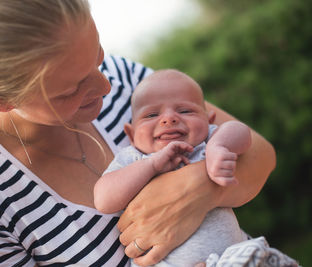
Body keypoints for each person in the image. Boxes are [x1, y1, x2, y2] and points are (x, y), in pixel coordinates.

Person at [0, 0, 276, 266]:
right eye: (70, 90)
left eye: (97, 56)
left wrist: (198, 189)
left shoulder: (125, 80)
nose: (105, 85)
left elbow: (259, 155)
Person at [94, 69, 252, 266]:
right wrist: (151, 165)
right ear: (131, 133)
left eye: (185, 111)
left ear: (208, 120)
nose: (168, 119)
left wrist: (219, 146)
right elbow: (103, 199)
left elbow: (241, 132)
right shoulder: (135, 158)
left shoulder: (207, 144)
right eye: (151, 114)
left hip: (236, 259)